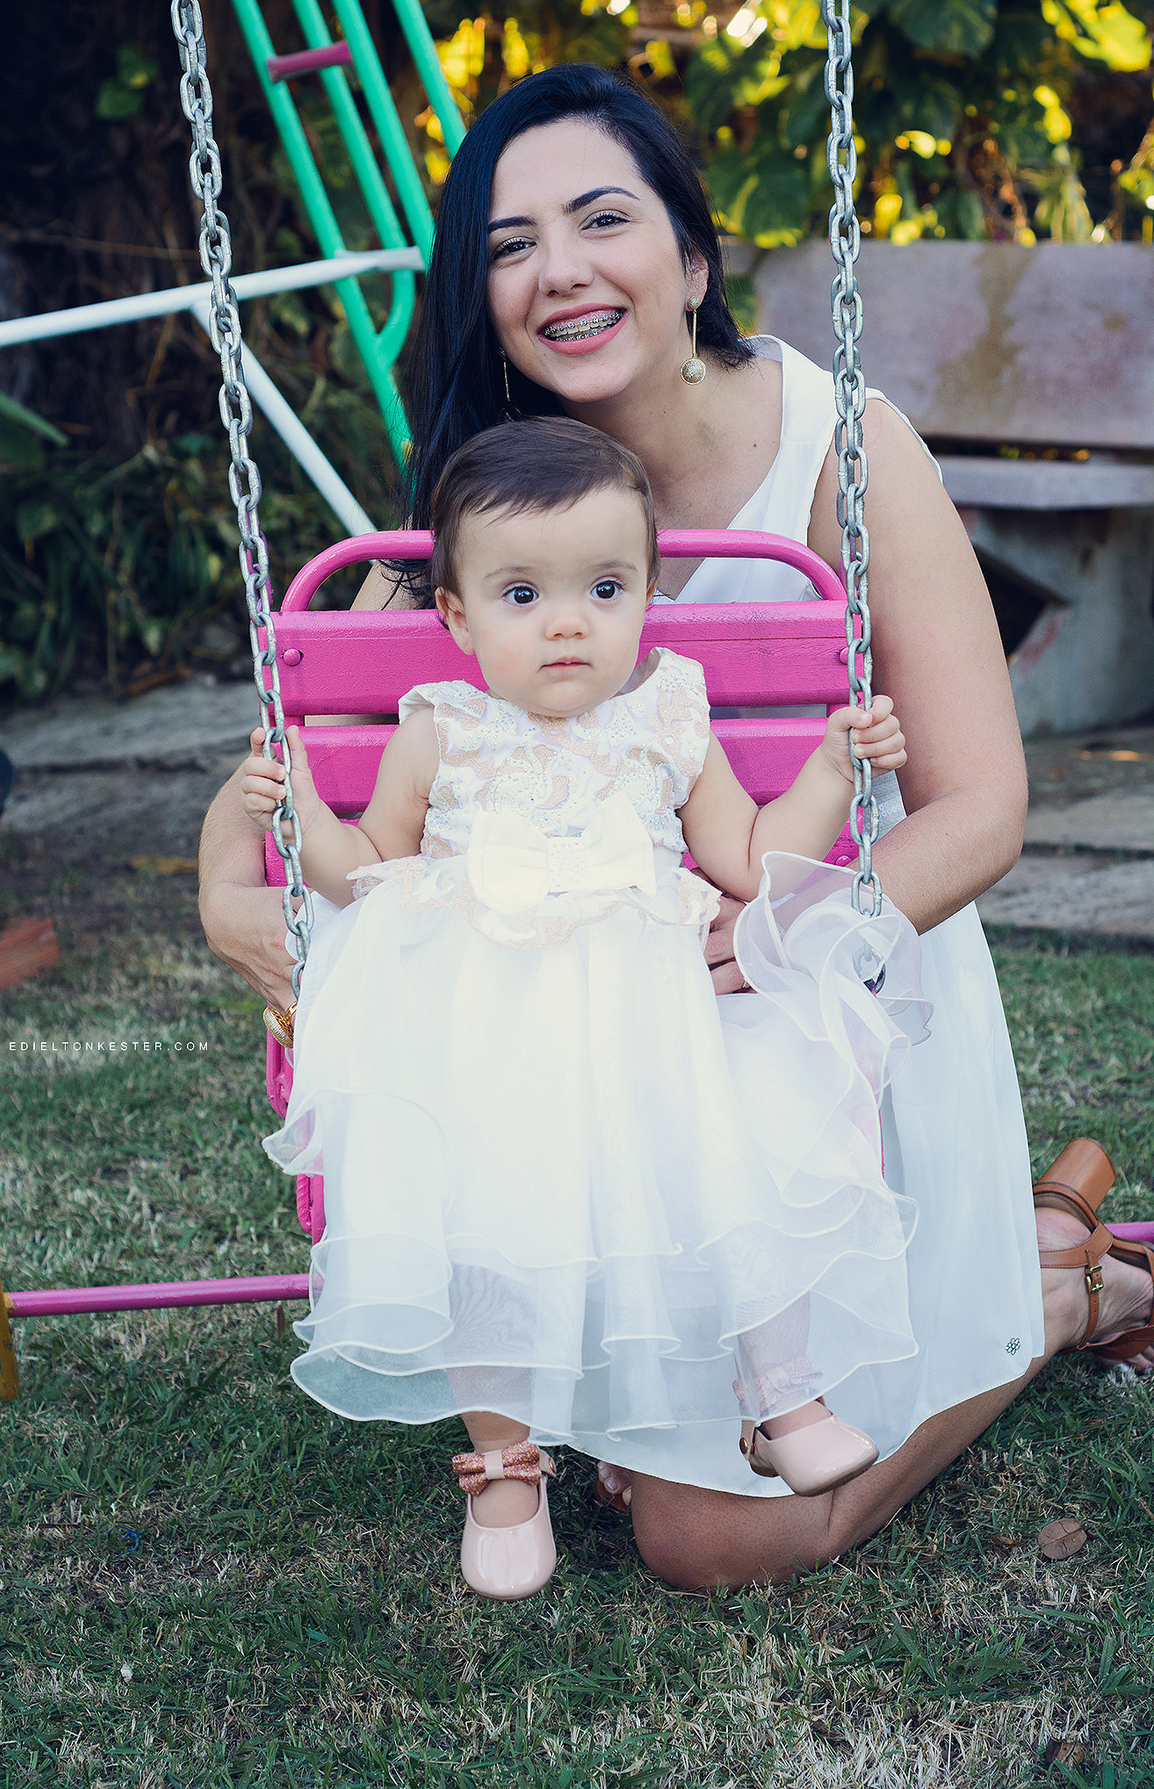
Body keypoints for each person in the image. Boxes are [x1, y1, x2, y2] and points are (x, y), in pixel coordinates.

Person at [198, 64, 1154, 1588]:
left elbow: (980, 806)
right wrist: (229, 887)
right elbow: (292, 753)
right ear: (477, 292)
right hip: (576, 1072)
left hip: (803, 1021)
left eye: (599, 220)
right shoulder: (487, 505)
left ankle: (1045, 1291)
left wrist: (790, 930)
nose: (558, 270)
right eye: (509, 245)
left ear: (692, 258)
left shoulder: (844, 447)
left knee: (707, 1537)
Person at [241, 417, 925, 1600]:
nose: (566, 620)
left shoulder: (669, 719)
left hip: (657, 1038)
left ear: (646, 594)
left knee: (742, 1147)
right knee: (484, 1231)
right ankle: (506, 1470)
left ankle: (780, 1394)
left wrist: (830, 769)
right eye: (520, 592)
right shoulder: (436, 732)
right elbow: (365, 876)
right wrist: (293, 799)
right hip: (489, 1044)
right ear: (454, 616)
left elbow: (753, 863)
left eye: (603, 587)